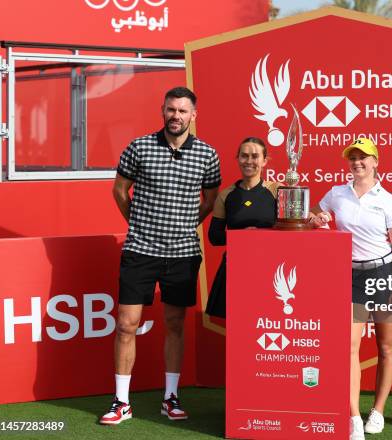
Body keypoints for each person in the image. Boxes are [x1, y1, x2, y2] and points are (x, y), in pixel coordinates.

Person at [99, 86, 221, 425]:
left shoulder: (208, 155)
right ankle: (121, 402)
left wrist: (184, 225)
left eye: (183, 111)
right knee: (126, 325)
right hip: (140, 250)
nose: (176, 116)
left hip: (182, 253)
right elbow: (120, 191)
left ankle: (171, 397)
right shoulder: (139, 147)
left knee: (174, 323)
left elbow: (209, 201)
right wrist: (139, 224)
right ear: (162, 111)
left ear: (193, 115)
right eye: (171, 109)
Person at [311, 138, 392, 440]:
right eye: (353, 158)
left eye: (364, 157)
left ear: (376, 162)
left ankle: (377, 410)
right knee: (349, 348)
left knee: (386, 347)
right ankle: (353, 415)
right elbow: (315, 213)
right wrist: (319, 218)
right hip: (349, 275)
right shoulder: (337, 193)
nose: (358, 162)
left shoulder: (388, 199)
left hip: (382, 273)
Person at [206, 137, 278, 318]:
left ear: (264, 160)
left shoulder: (278, 191)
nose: (249, 161)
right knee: (238, 325)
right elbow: (214, 237)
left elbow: (292, 230)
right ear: (237, 159)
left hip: (271, 269)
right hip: (236, 267)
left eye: (255, 156)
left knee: (269, 322)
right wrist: (242, 237)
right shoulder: (226, 195)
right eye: (244, 156)